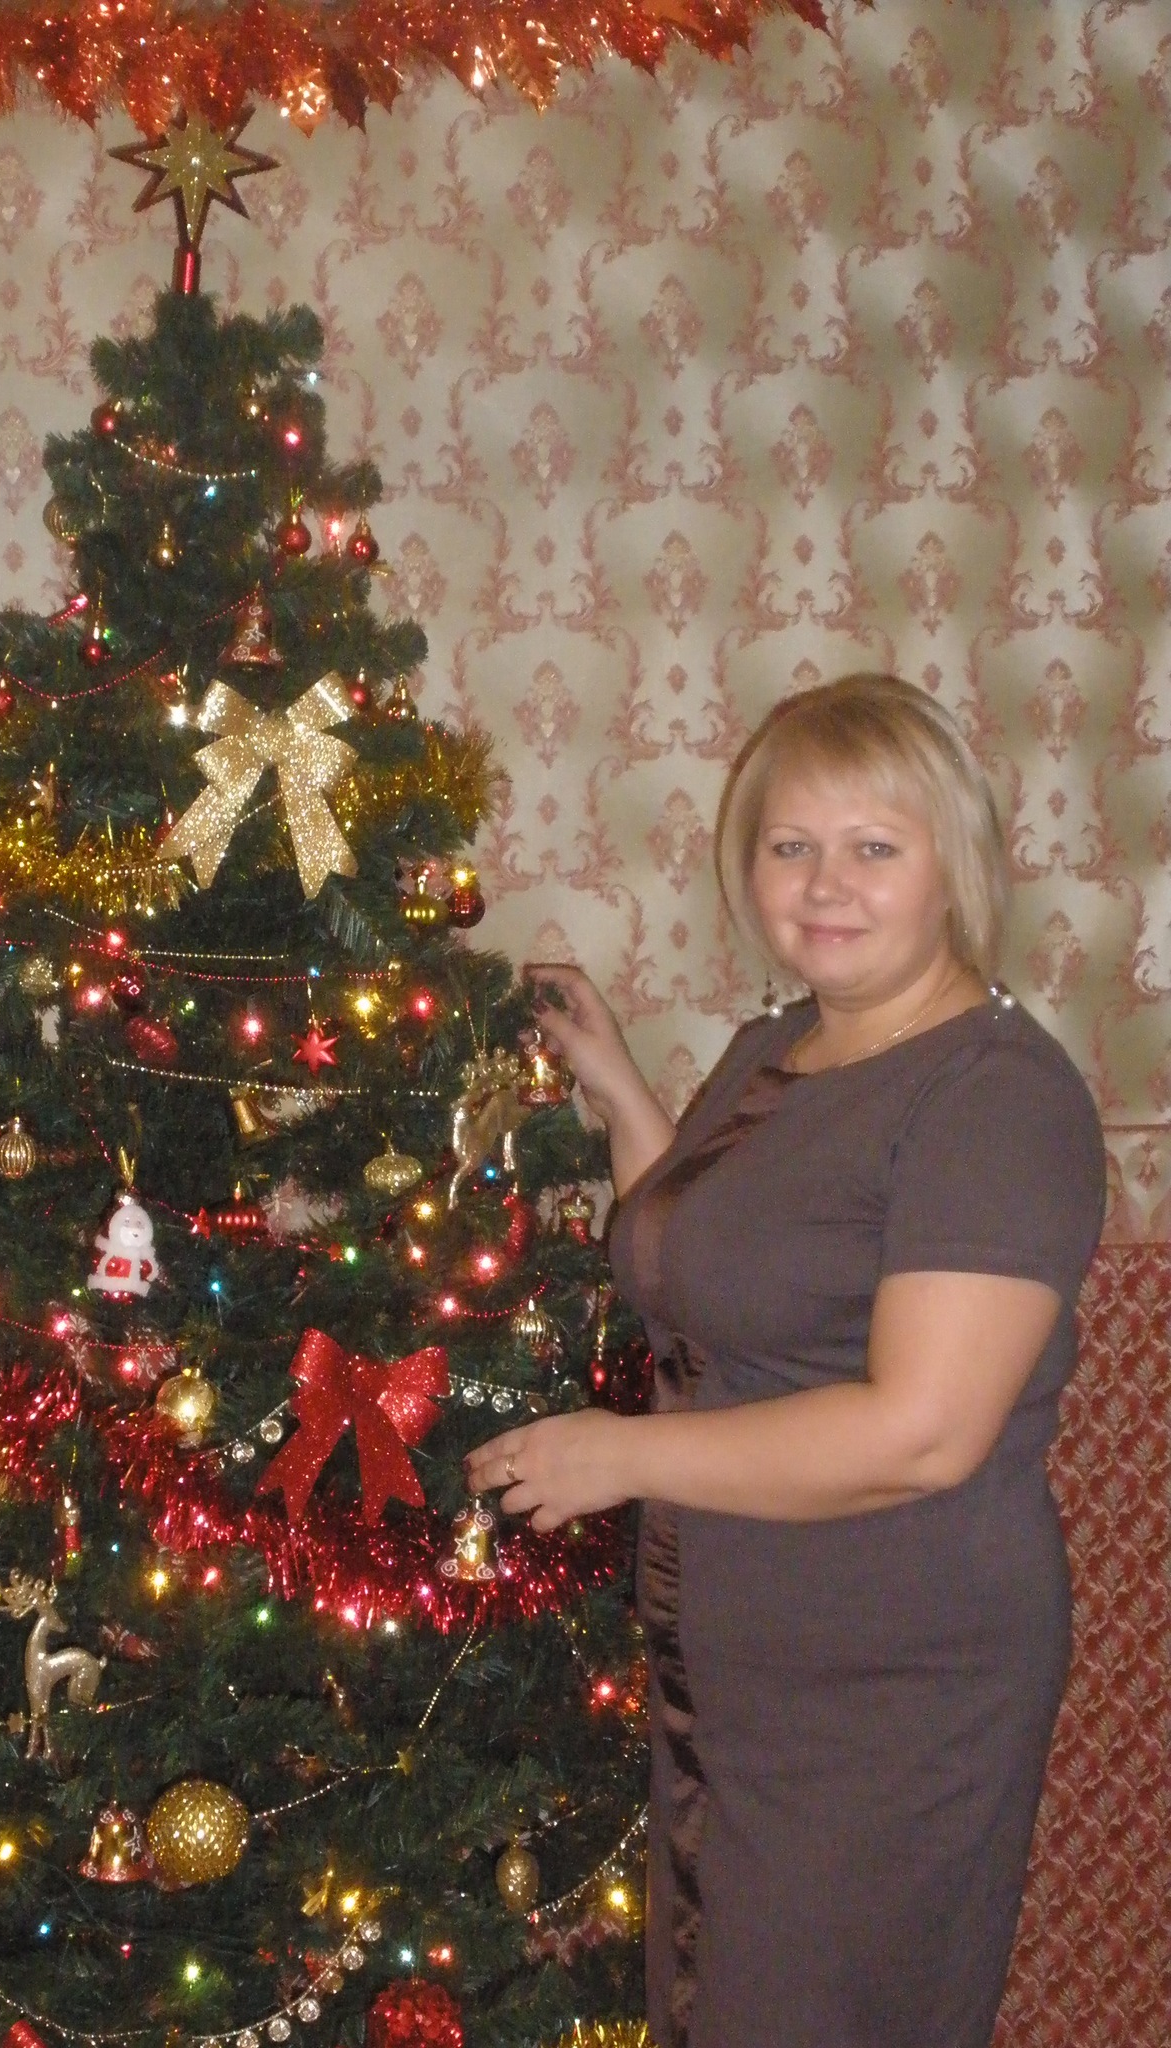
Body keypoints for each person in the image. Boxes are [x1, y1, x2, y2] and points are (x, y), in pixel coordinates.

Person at [465, 673, 1106, 2048]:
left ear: (954, 865)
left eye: (875, 846)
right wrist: (620, 1088)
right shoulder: (782, 1048)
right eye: (790, 844)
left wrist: (619, 1455)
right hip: (729, 1669)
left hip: (890, 1685)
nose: (825, 885)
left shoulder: (995, 1096)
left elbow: (922, 1432)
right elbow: (705, 1269)